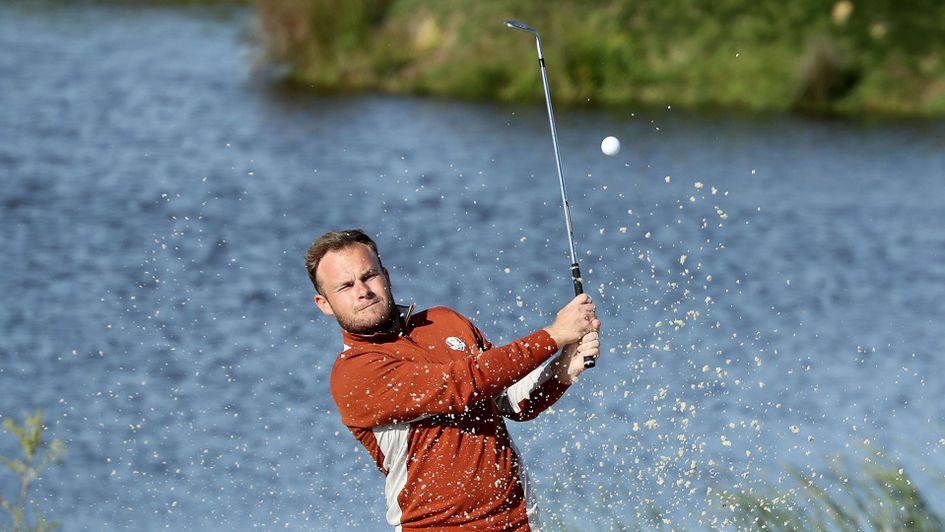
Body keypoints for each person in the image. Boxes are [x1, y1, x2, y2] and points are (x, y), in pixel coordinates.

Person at [306, 229, 601, 531]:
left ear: (387, 276)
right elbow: (459, 385)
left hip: (519, 521)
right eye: (345, 286)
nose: (362, 290)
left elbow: (513, 402)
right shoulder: (354, 372)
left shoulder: (445, 320)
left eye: (369, 276)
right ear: (324, 304)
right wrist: (553, 336)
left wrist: (565, 367)